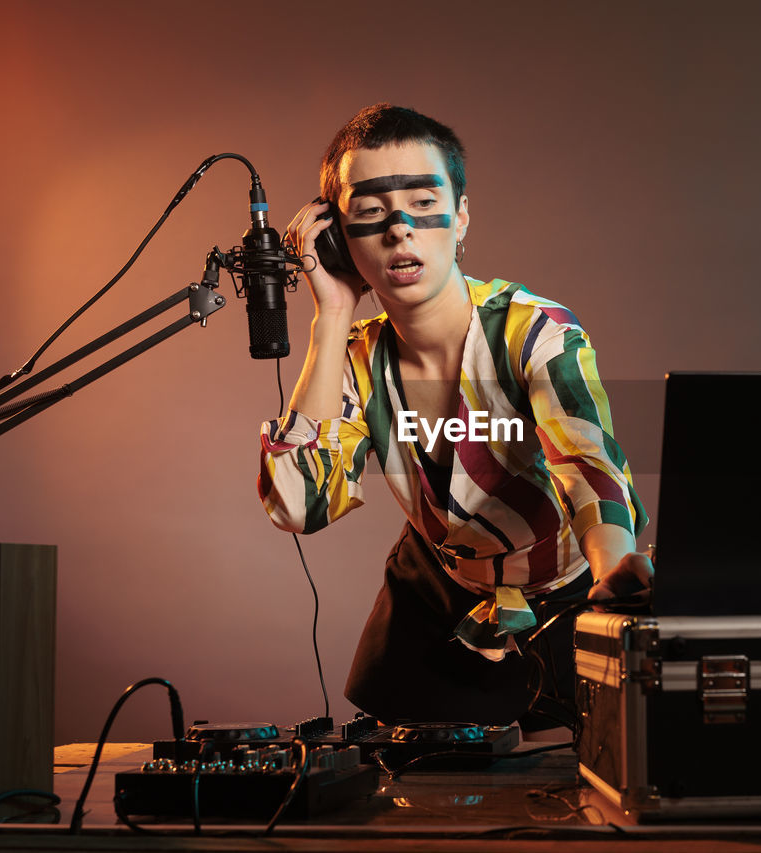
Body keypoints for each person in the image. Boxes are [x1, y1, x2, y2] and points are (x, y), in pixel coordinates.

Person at [259, 103, 650, 729]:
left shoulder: (536, 332)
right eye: (368, 212)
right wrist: (328, 317)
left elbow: (585, 457)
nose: (399, 230)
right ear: (336, 239)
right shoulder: (355, 358)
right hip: (437, 594)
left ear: (461, 216)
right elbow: (299, 507)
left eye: (422, 202)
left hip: (569, 594)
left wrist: (615, 566)